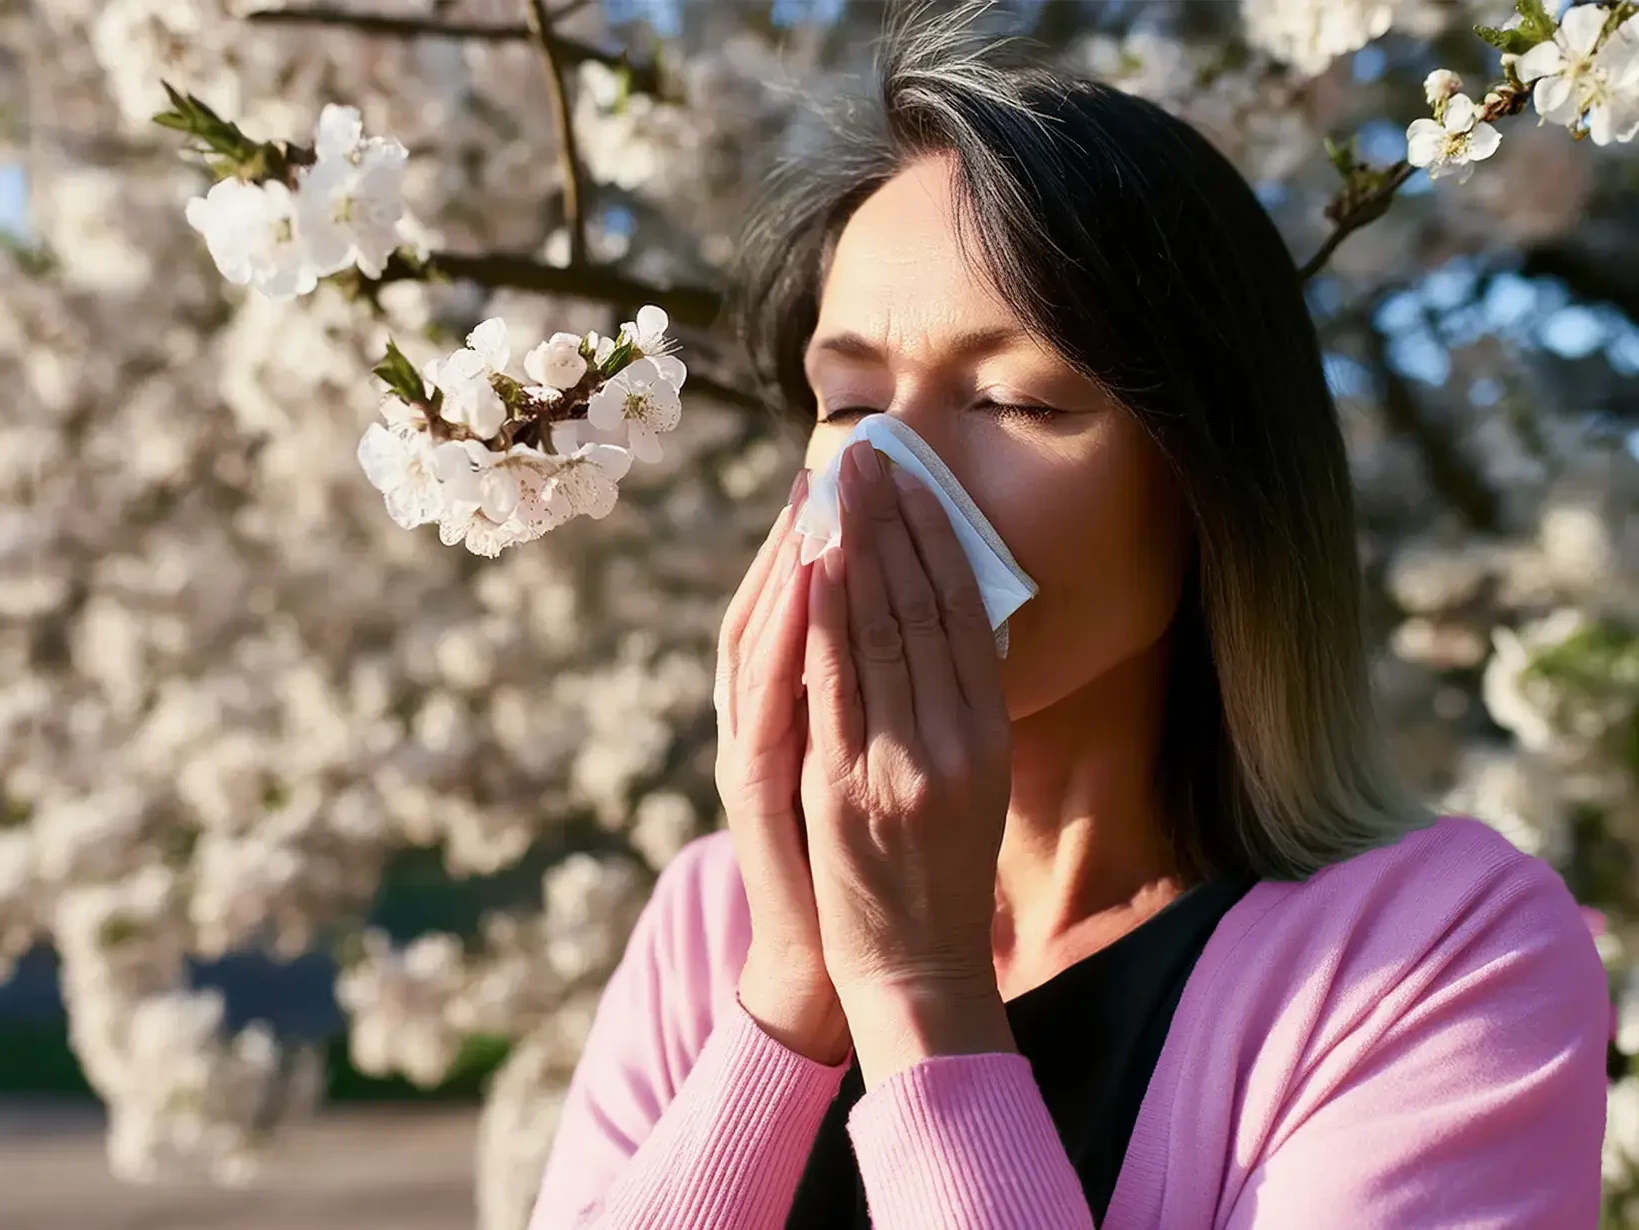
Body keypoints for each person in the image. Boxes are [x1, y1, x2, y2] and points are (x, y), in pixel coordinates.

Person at [529, 11, 1607, 1229]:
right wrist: (785, 996)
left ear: (1209, 487)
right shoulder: (715, 922)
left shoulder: (1434, 956)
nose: (888, 472)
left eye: (1012, 400)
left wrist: (916, 985)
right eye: (849, 398)